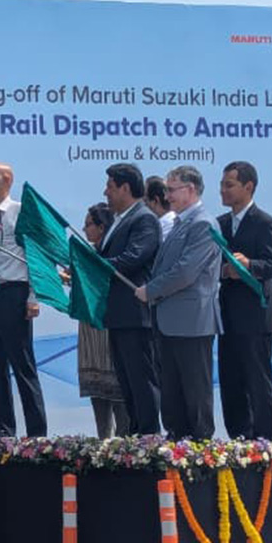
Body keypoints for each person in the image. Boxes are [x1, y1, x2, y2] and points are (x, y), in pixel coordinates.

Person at [135, 165, 221, 439]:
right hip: (170, 320)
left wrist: (151, 290)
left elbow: (185, 271)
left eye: (172, 190)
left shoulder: (203, 223)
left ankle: (199, 448)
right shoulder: (180, 222)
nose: (167, 196)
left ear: (191, 189)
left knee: (195, 390)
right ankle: (177, 442)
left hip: (192, 321)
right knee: (172, 390)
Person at [0, 162, 47, 438]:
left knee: (22, 364)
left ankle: (37, 434)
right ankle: (5, 432)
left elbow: (36, 257)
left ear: (7, 180)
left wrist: (33, 297)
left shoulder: (20, 212)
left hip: (14, 293)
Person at [216, 161, 272, 440]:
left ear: (248, 186)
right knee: (231, 382)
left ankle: (266, 440)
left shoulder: (265, 222)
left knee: (258, 382)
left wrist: (247, 265)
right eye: (222, 185)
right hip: (227, 314)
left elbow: (271, 265)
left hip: (256, 315)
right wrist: (223, 270)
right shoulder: (218, 225)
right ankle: (239, 440)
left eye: (229, 185)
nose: (223, 190)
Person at [98, 162, 161, 434]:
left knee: (142, 381)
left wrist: (95, 265)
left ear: (125, 187)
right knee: (126, 382)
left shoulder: (144, 218)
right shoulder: (117, 221)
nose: (105, 192)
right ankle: (135, 437)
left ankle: (148, 436)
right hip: (118, 314)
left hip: (136, 314)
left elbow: (134, 257)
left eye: (110, 187)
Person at [77, 204, 130, 436]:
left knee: (117, 387)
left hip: (109, 324)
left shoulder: (113, 254)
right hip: (89, 329)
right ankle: (103, 442)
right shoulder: (88, 255)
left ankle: (124, 444)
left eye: (88, 224)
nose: (85, 229)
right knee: (96, 389)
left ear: (101, 227)